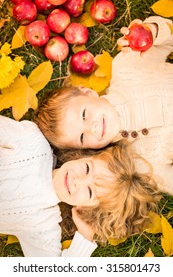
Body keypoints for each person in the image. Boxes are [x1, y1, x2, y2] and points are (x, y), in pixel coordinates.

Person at [35, 16, 173, 196]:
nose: (91, 128)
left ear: (88, 92)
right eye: (82, 137)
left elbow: (168, 36)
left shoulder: (126, 68)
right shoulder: (139, 162)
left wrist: (152, 30)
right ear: (86, 150)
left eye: (84, 115)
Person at [0, 115, 158, 256]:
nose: (78, 180)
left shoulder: (43, 225)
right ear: (84, 155)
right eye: (87, 168)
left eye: (89, 192)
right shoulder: (33, 143)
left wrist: (85, 238)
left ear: (88, 210)